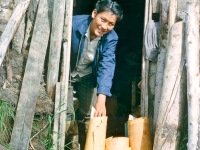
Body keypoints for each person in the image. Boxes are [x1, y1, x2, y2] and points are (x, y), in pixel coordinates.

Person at [70, 0, 123, 149]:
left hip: (86, 76)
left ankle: (84, 145)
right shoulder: (73, 24)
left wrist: (102, 96)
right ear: (94, 14)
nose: (105, 27)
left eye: (111, 24)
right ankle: (67, 145)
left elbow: (107, 65)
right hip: (66, 74)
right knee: (66, 113)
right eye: (103, 19)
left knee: (87, 115)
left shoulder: (111, 38)